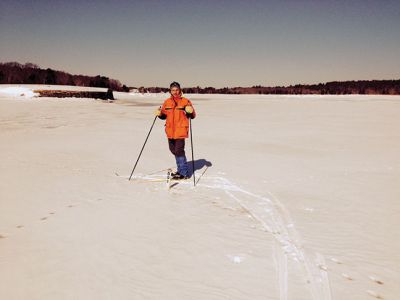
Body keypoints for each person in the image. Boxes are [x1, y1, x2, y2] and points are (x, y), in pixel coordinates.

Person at [155, 81, 196, 179]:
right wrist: (159, 114)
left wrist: (189, 111)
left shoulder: (185, 101)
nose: (175, 92)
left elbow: (193, 115)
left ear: (180, 90)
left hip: (180, 130)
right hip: (170, 131)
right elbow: (164, 115)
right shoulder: (167, 102)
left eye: (177, 90)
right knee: (173, 150)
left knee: (179, 151)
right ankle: (180, 170)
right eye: (173, 90)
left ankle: (184, 173)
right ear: (170, 91)